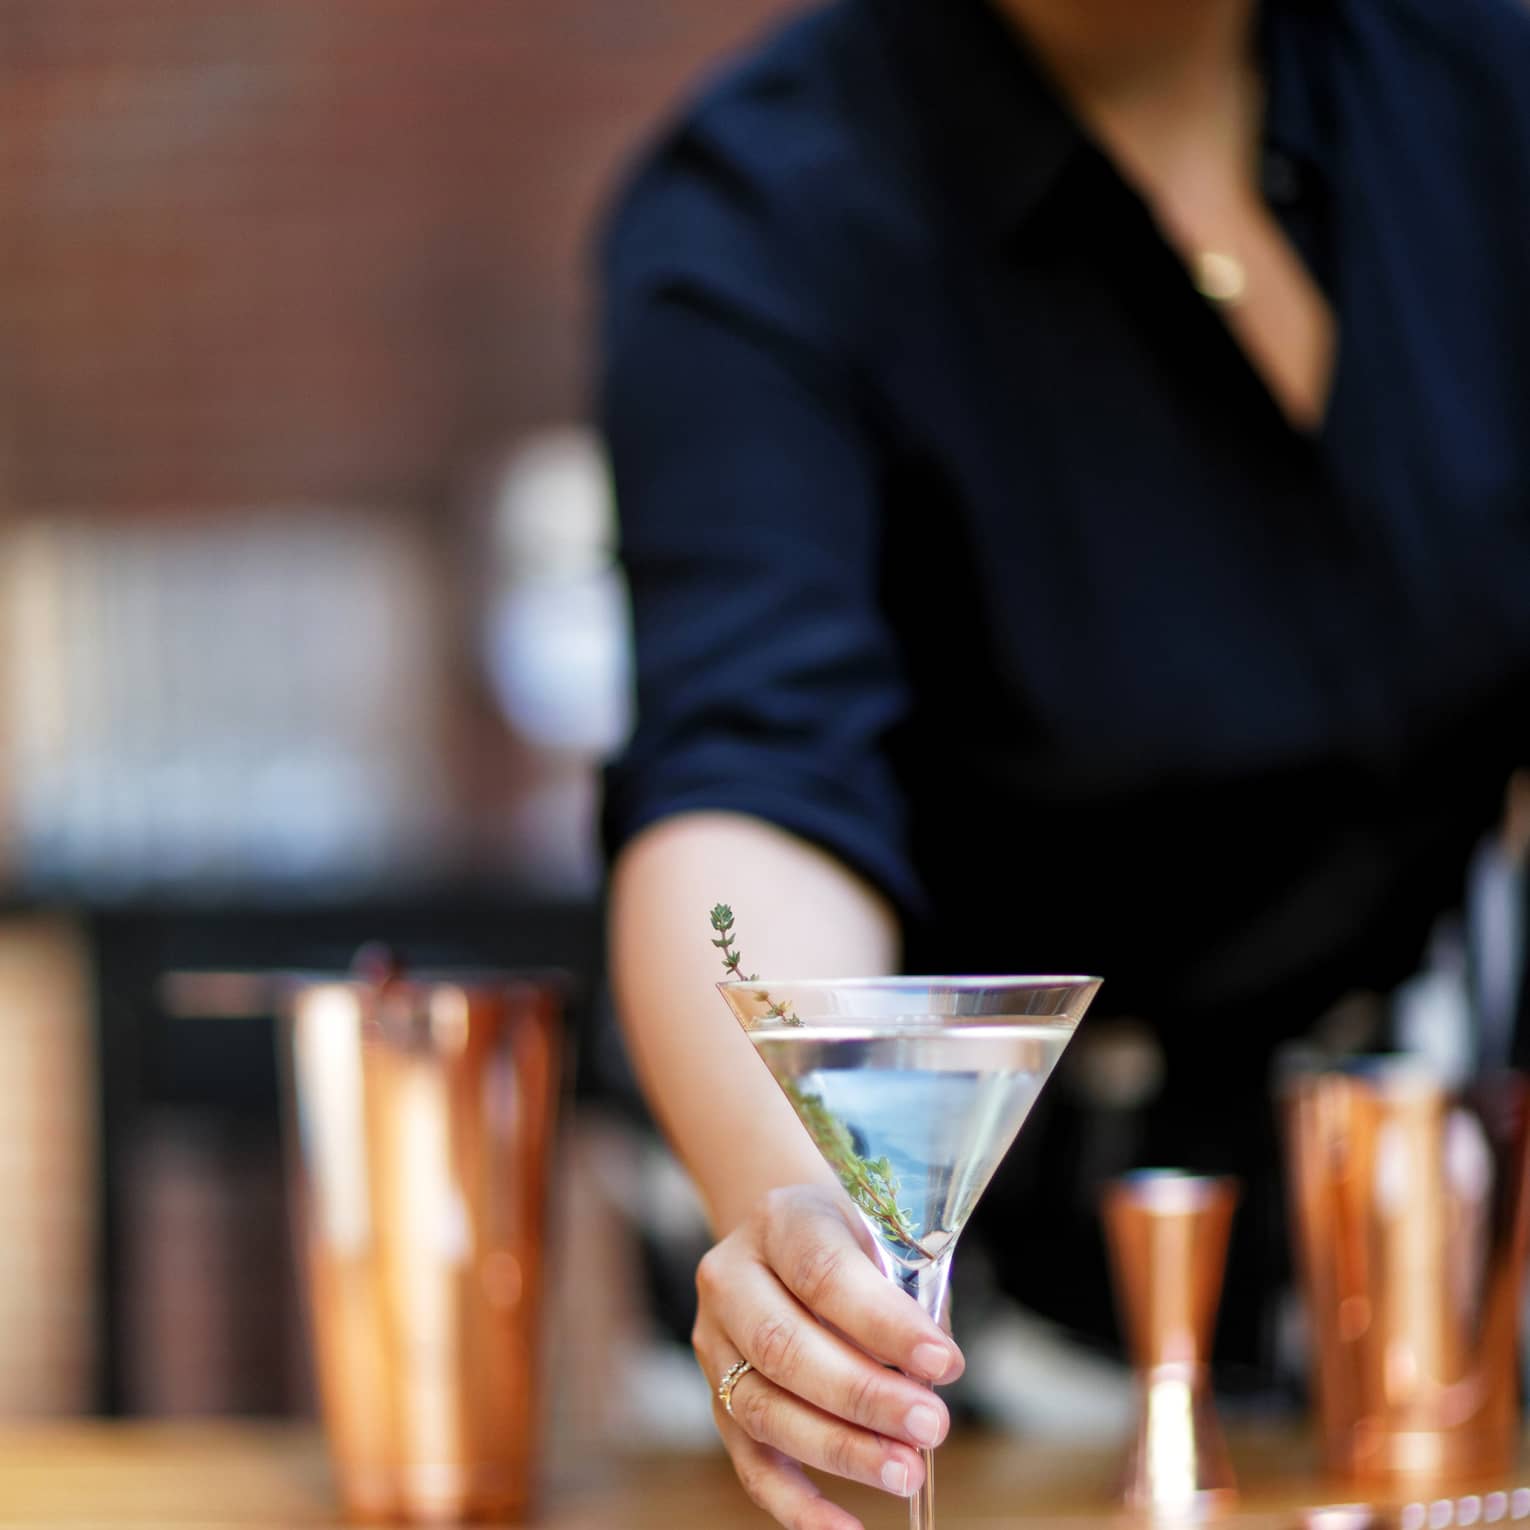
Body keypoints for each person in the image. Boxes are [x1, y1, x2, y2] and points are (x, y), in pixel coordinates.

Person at [597, 0, 1530, 1524]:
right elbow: (746, 798)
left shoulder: (1482, 80)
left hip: (1407, 1210)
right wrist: (810, 1216)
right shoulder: (762, 204)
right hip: (975, 1263)